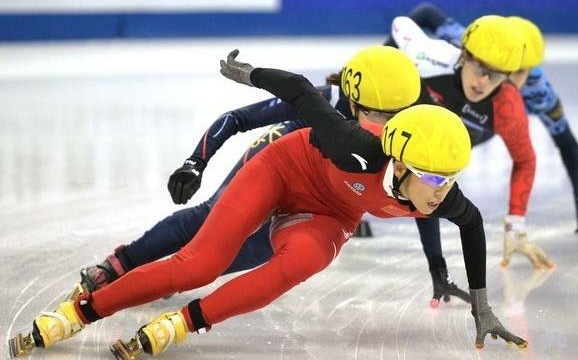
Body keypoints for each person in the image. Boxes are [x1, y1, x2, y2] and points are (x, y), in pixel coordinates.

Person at [8, 47, 527, 360]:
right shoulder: (351, 140)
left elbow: (470, 224)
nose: (442, 190)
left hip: (328, 212)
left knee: (300, 262)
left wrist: (481, 306)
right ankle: (81, 310)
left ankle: (179, 325)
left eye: (450, 180)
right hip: (283, 168)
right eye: (435, 178)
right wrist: (246, 73)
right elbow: (300, 90)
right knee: (201, 260)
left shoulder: (440, 194)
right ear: (403, 163)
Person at [77, 48, 469, 306]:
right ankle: (119, 264)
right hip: (281, 161)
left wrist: (437, 267)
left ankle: (160, 278)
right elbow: (238, 119)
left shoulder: (407, 133)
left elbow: (415, 204)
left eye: (396, 117)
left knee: (256, 251)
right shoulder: (325, 103)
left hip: (321, 199)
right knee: (206, 220)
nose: (386, 127)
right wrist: (196, 161)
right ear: (351, 102)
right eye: (377, 116)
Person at [387, 2, 578, 239]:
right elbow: (425, 13)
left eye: (517, 72)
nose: (509, 80)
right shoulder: (468, 46)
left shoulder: (538, 91)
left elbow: (565, 141)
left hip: (486, 122)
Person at [387, 14, 555, 269]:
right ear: (464, 56)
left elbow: (525, 160)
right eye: (480, 69)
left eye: (497, 76)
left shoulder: (507, 107)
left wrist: (516, 225)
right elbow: (401, 24)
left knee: (435, 168)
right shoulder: (432, 57)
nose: (483, 82)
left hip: (453, 129)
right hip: (411, 110)